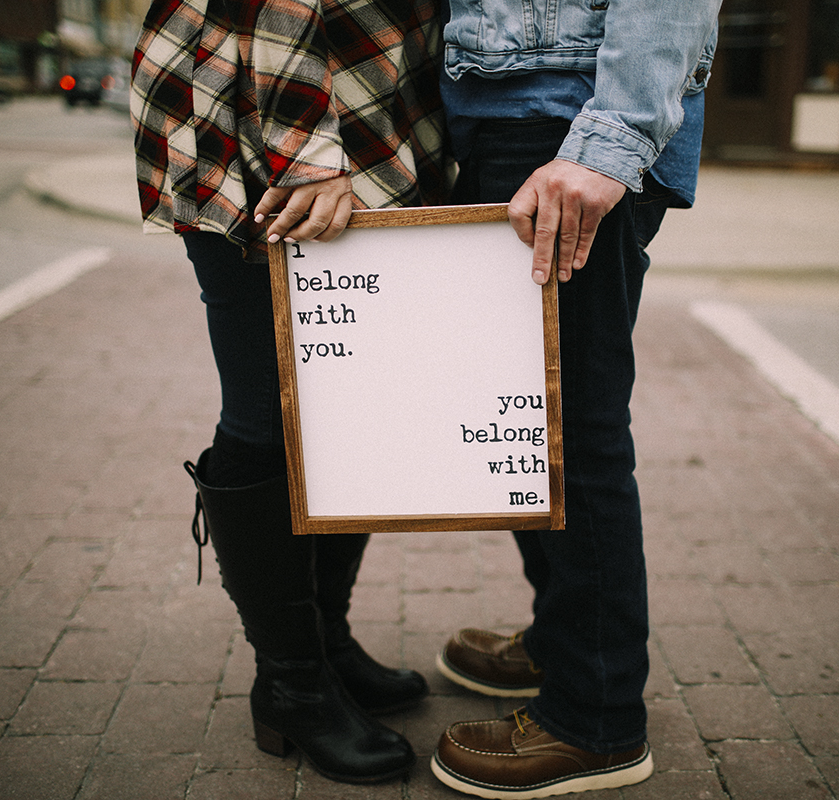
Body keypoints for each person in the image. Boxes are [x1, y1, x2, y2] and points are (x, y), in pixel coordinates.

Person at [130, 0, 449, 785]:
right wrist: (304, 160)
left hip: (356, 111)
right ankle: (292, 684)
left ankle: (326, 647)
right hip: (257, 119)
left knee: (346, 407)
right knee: (271, 412)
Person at [428, 0, 721, 797]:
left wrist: (612, 139)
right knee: (531, 421)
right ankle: (567, 645)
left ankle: (595, 721)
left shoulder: (582, 134)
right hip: (513, 117)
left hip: (566, 126)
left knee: (570, 429)